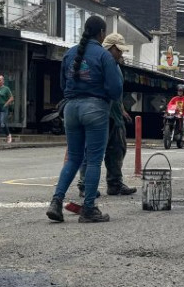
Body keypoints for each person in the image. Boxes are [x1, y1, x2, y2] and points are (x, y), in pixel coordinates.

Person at [46, 15, 122, 224]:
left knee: (73, 158)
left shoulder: (69, 54)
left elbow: (63, 84)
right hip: (95, 109)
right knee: (94, 160)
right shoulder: (104, 56)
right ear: (102, 34)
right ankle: (88, 208)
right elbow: (116, 90)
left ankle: (56, 201)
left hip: (71, 109)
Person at [76, 32, 136, 197]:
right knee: (93, 152)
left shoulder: (115, 64)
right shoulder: (100, 62)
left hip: (115, 115)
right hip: (101, 113)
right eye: (118, 50)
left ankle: (115, 183)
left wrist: (122, 109)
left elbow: (116, 90)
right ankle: (84, 185)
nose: (121, 54)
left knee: (117, 149)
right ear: (110, 48)